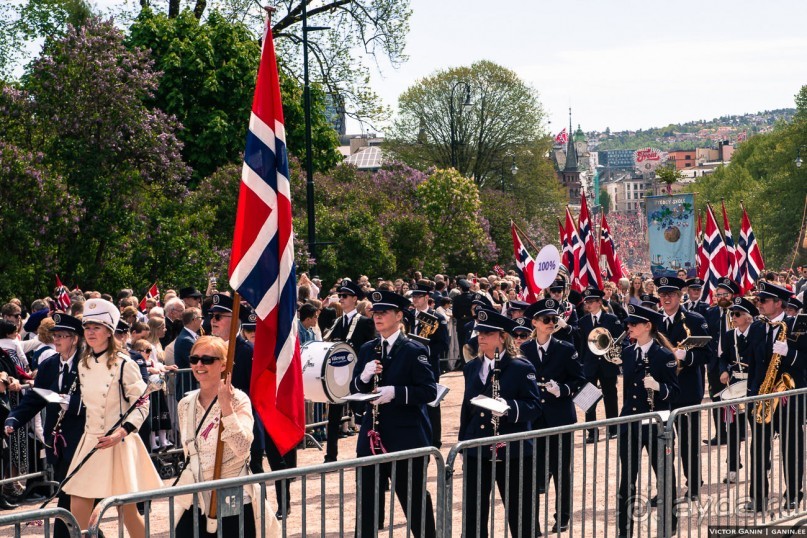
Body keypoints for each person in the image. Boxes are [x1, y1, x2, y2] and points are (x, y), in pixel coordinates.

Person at [63, 299, 162, 538]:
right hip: (91, 442)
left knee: (128, 514)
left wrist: (121, 432)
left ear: (109, 331)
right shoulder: (83, 363)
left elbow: (142, 402)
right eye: (87, 327)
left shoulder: (124, 364)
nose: (90, 333)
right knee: (77, 512)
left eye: (96, 327)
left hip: (119, 444)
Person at [350, 290, 437, 538]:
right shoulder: (368, 349)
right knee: (366, 501)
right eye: (375, 313)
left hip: (405, 437)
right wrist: (363, 377)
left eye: (384, 312)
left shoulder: (413, 349)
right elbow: (354, 389)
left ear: (399, 316)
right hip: (372, 436)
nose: (377, 317)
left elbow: (428, 391)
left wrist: (396, 392)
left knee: (414, 500)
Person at [174, 336, 279, 538]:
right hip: (197, 497)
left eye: (207, 359)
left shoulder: (238, 399)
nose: (199, 365)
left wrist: (226, 408)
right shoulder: (185, 404)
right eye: (194, 359)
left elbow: (243, 447)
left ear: (223, 365)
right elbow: (190, 450)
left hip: (233, 498)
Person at [458, 308, 541, 538]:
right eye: (479, 332)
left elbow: (534, 406)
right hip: (478, 449)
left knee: (520, 513)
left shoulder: (520, 366)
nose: (481, 337)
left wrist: (508, 407)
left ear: (502, 336)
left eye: (488, 332)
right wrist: (463, 444)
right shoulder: (471, 367)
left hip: (513, 450)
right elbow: (467, 408)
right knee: (474, 514)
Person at [4, 313, 84, 530]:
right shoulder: (49, 365)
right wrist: (13, 419)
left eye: (61, 336)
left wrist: (71, 402)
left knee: (71, 496)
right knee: (69, 494)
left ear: (75, 338)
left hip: (82, 440)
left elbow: (99, 400)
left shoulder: (87, 364)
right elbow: (35, 399)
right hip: (57, 442)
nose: (55, 339)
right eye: (54, 335)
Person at [742, 281, 807, 513]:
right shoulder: (758, 327)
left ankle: (793, 494)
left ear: (778, 303)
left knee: (791, 449)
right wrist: (751, 396)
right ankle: (758, 497)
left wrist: (791, 353)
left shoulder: (797, 326)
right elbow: (752, 364)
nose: (758, 304)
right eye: (758, 300)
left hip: (788, 397)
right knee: (758, 449)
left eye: (763, 300)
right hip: (762, 397)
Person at [520, 298, 584, 533]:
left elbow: (581, 380)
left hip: (560, 418)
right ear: (534, 322)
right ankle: (533, 522)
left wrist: (564, 389)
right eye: (546, 319)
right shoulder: (524, 350)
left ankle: (563, 516)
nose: (551, 323)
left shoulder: (565, 348)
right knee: (533, 472)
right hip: (535, 418)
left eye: (554, 319)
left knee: (560, 470)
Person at [617, 304, 679, 538]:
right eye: (628, 324)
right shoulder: (628, 352)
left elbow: (675, 392)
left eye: (633, 324)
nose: (629, 327)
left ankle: (668, 523)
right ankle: (625, 529)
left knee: (663, 475)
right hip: (631, 423)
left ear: (647, 326)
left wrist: (659, 387)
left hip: (657, 424)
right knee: (627, 479)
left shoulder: (664, 355)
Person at [654, 276, 710, 500]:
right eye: (663, 294)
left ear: (679, 296)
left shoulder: (694, 319)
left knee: (689, 442)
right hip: (662, 391)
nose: (666, 298)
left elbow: (708, 352)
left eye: (671, 294)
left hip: (687, 389)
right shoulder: (654, 321)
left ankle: (694, 486)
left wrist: (687, 356)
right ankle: (667, 489)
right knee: (662, 443)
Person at [322, 280, 375, 463]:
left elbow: (371, 348)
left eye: (345, 296)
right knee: (333, 417)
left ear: (354, 298)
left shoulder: (365, 322)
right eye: (340, 296)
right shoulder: (336, 322)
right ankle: (330, 456)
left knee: (362, 416)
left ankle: (368, 454)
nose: (341, 299)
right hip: (338, 376)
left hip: (358, 377)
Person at [717, 297, 763, 484]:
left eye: (737, 314)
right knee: (733, 428)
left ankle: (763, 464)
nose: (733, 317)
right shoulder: (729, 336)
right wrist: (723, 371)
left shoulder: (758, 334)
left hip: (754, 386)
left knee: (757, 427)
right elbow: (723, 358)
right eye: (732, 313)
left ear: (749, 317)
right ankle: (733, 467)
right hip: (735, 385)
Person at [578, 287, 624, 442]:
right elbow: (582, 345)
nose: (588, 305)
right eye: (586, 302)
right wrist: (581, 363)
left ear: (599, 302)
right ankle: (592, 431)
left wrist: (616, 357)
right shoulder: (583, 321)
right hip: (590, 364)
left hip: (607, 363)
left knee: (610, 396)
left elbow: (619, 340)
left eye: (591, 302)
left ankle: (613, 428)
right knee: (588, 397)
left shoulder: (611, 319)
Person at [410, 280, 449, 448]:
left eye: (418, 297)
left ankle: (435, 440)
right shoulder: (409, 316)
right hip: (409, 365)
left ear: (427, 297)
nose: (415, 300)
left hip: (429, 365)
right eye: (413, 296)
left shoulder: (437, 318)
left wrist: (424, 351)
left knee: (432, 403)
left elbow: (443, 344)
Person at [704, 278, 739, 446]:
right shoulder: (709, 313)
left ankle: (737, 433)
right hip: (714, 362)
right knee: (716, 399)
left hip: (734, 362)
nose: (722, 297)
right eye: (719, 294)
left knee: (735, 398)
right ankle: (721, 433)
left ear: (732, 295)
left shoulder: (738, 313)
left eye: (726, 294)